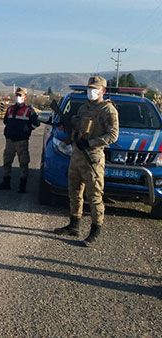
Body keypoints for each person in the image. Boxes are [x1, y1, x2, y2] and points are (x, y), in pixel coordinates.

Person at [54, 76, 118, 246]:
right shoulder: (83, 108)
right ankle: (74, 225)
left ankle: (95, 230)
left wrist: (90, 143)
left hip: (93, 158)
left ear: (103, 91)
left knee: (94, 195)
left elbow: (113, 135)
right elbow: (76, 127)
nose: (91, 91)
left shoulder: (108, 110)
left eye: (95, 88)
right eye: (89, 88)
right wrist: (66, 128)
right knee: (74, 191)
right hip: (77, 155)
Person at [0, 87, 40, 193]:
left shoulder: (29, 111)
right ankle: (6, 183)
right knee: (7, 162)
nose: (18, 97)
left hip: (22, 141)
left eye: (20, 95)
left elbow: (37, 123)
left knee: (23, 163)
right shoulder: (10, 109)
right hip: (10, 140)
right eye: (16, 95)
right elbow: (6, 121)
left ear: (25, 97)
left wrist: (27, 130)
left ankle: (22, 186)